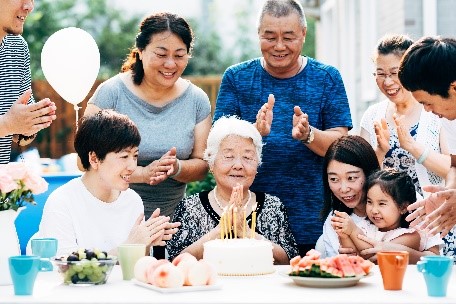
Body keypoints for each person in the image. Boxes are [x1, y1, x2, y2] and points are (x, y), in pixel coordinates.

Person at [213, 0, 352, 256]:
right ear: (258, 35)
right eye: (270, 37)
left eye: (288, 37)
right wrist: (253, 134)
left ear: (303, 35)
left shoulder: (327, 77)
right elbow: (219, 145)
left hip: (314, 220)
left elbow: (342, 147)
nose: (279, 46)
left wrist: (309, 135)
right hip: (249, 221)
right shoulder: (236, 77)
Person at [84, 13, 211, 258]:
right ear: (140, 51)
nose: (170, 64)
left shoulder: (196, 100)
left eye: (179, 55)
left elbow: (203, 165)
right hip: (111, 222)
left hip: (171, 227)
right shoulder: (111, 93)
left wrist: (175, 168)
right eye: (161, 54)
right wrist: (143, 174)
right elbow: (84, 159)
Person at [34, 110, 179, 256]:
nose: (132, 166)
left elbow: (136, 267)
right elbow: (66, 268)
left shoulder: (132, 200)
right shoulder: (62, 202)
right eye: (124, 156)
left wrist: (147, 242)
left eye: (135, 156)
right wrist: (129, 246)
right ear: (94, 159)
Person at [166, 116, 299, 264]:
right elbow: (174, 261)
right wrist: (219, 231)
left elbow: (290, 260)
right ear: (211, 163)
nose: (238, 165)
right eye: (228, 156)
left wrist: (248, 233)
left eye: (247, 157)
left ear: (257, 164)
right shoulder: (190, 207)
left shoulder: (272, 206)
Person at [318, 135, 441, 263]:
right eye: (334, 179)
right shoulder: (337, 221)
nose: (343, 189)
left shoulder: (408, 200)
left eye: (351, 178)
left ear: (369, 173)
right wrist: (345, 238)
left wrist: (404, 253)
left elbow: (436, 258)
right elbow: (352, 262)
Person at [360, 34, 450, 199]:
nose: (387, 82)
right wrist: (380, 151)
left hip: (430, 215)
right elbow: (359, 176)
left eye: (394, 73)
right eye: (381, 74)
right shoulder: (371, 116)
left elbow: (452, 169)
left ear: (409, 71)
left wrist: (413, 147)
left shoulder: (437, 112)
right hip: (385, 220)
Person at [399, 37, 456, 238]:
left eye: (428, 103)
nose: (427, 111)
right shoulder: (449, 118)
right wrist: (448, 195)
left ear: (454, 87)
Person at [1, 0, 57, 163]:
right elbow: (8, 124)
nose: (29, 7)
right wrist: (7, 124)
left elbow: (19, 137)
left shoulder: (18, 47)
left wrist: (32, 122)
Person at [333, 170, 423, 258]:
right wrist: (344, 235)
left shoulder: (411, 236)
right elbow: (352, 254)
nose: (374, 210)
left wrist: (352, 231)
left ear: (403, 207)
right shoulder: (365, 226)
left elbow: (374, 256)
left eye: (381, 204)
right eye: (369, 202)